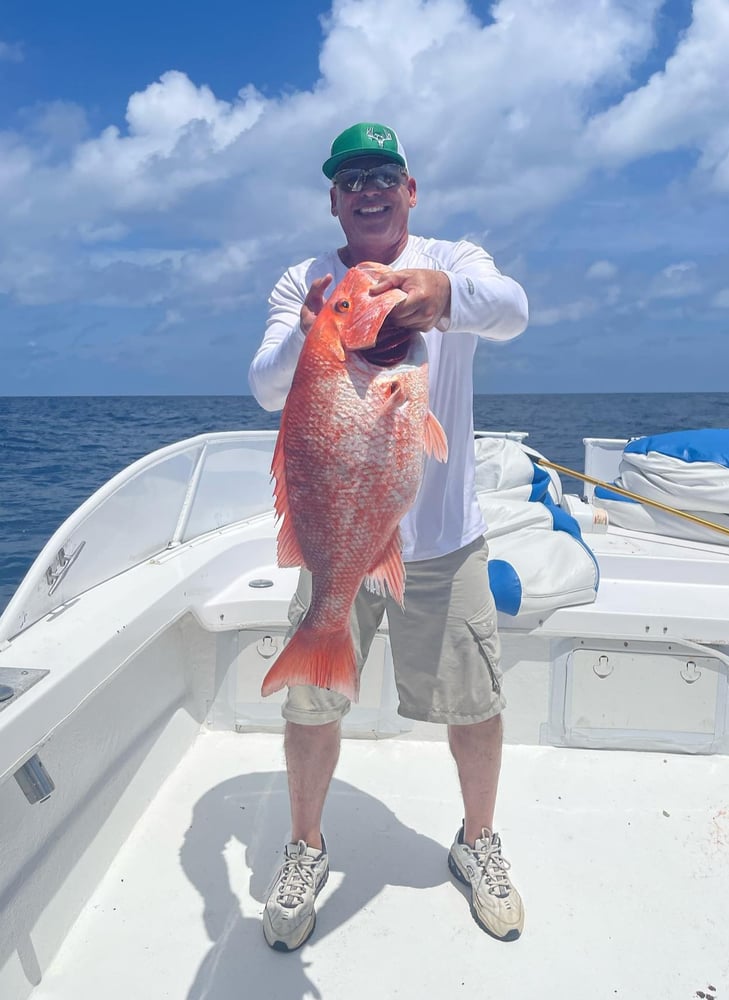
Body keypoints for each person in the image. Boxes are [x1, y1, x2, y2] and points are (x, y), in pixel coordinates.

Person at [248, 121, 529, 952]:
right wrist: (315, 328)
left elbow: (511, 312)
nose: (368, 189)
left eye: (383, 176)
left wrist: (443, 298)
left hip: (443, 538)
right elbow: (267, 392)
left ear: (409, 191)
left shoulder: (456, 260)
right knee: (311, 702)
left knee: (474, 704)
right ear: (333, 201)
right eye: (350, 180)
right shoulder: (303, 283)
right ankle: (305, 847)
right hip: (340, 539)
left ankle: (476, 843)